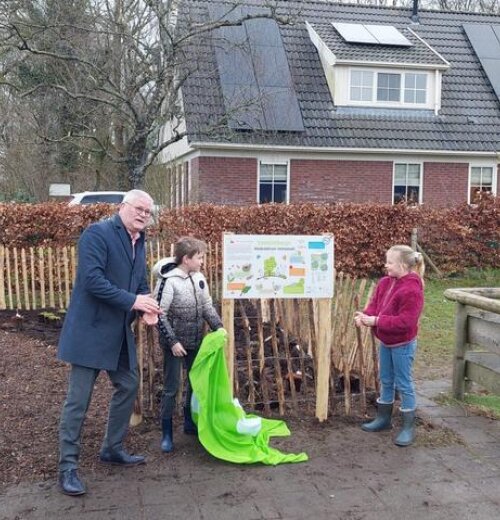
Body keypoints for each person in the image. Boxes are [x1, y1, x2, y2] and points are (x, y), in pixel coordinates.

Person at [57, 189, 161, 496]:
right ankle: (67, 468)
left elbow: (139, 283)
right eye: (139, 208)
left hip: (118, 333)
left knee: (128, 384)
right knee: (79, 402)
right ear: (122, 208)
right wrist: (134, 301)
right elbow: (93, 282)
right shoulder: (97, 234)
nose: (144, 214)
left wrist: (146, 309)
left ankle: (112, 448)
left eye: (148, 211)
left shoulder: (139, 241)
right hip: (89, 332)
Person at [152, 237, 224, 453]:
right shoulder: (168, 281)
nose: (202, 261)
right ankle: (167, 434)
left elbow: (206, 306)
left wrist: (218, 327)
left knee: (195, 383)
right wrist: (173, 342)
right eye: (199, 257)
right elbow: (159, 314)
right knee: (171, 387)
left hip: (195, 341)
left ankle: (189, 423)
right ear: (186, 259)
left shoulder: (199, 278)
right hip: (174, 344)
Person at [354, 245, 425, 447]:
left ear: (402, 265)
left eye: (390, 262)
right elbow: (375, 304)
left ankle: (408, 427)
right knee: (386, 379)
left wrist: (376, 321)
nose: (386, 265)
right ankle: (383, 419)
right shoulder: (385, 282)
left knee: (403, 383)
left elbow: (406, 322)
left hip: (403, 344)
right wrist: (365, 315)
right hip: (386, 341)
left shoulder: (412, 289)